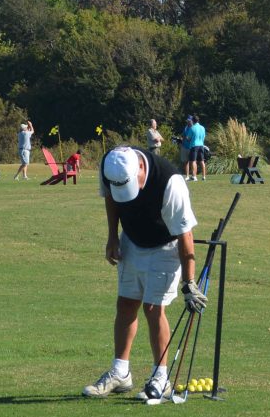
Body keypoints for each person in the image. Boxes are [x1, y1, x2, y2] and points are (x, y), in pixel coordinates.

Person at [82, 145, 208, 401]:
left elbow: (186, 235)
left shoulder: (170, 182)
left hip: (165, 245)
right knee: (126, 304)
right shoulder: (110, 166)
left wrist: (189, 283)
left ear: (140, 167)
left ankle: (161, 378)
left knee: (153, 308)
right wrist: (111, 238)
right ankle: (120, 373)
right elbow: (110, 198)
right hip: (131, 240)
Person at [182, 114, 207, 181]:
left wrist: (185, 138)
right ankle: (204, 176)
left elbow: (188, 138)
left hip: (194, 145)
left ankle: (194, 176)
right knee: (202, 161)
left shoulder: (192, 128)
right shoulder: (203, 127)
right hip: (201, 145)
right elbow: (204, 136)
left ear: (193, 121)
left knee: (193, 161)